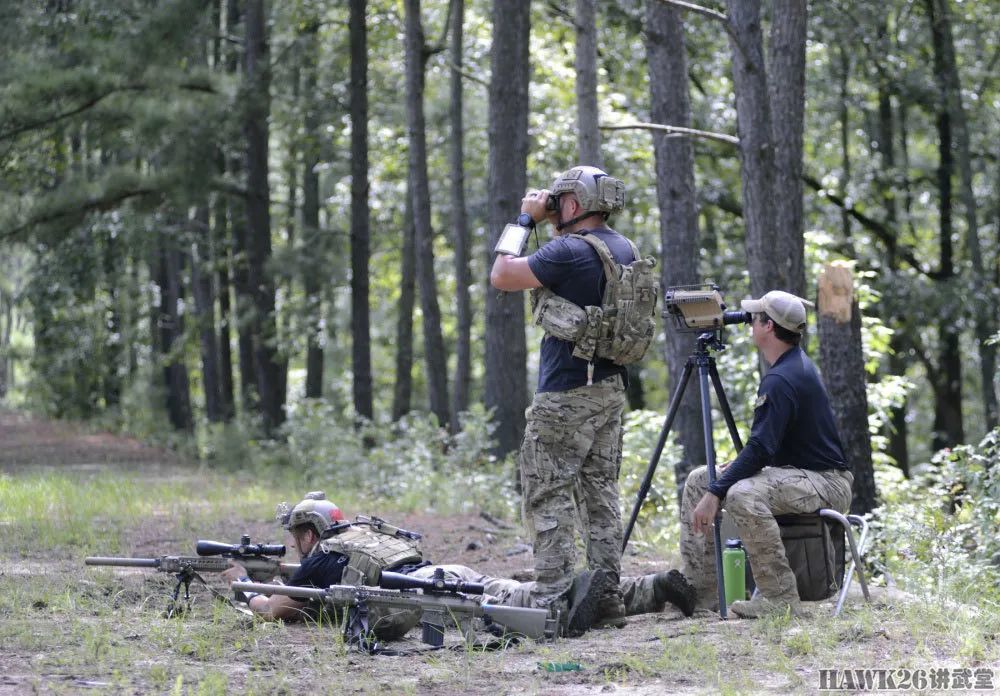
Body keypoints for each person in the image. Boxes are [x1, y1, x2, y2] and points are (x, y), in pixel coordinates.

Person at [489, 165, 641, 629]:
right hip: (610, 389)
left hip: (566, 393)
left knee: (548, 491)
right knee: (600, 494)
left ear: (573, 205)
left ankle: (554, 598)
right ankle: (607, 594)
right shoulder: (625, 249)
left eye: (559, 201)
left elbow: (502, 274)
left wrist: (524, 219)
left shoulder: (570, 250)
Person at [222, 492, 696, 640]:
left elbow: (279, 608)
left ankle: (576, 601)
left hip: (422, 594)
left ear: (308, 533)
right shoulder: (359, 537)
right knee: (515, 591)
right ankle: (650, 587)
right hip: (438, 573)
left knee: (536, 606)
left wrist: (244, 584)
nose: (296, 547)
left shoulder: (320, 556)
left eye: (296, 539)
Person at [679, 290, 854, 618]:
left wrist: (719, 492)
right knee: (699, 480)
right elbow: (769, 446)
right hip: (798, 473)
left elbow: (760, 449)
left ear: (768, 326)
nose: (749, 322)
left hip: (828, 483)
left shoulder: (782, 378)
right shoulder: (788, 368)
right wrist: (718, 482)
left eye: (754, 316)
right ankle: (699, 593)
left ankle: (779, 598)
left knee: (741, 493)